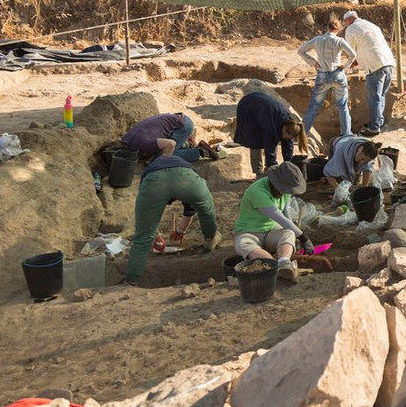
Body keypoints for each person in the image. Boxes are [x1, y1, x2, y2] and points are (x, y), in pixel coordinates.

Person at [124, 155, 220, 285]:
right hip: (187, 179)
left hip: (155, 182)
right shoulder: (185, 167)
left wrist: (155, 235)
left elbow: (147, 217)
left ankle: (131, 282)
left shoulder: (150, 172)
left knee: (143, 236)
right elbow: (192, 207)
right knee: (206, 209)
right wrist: (181, 230)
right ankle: (210, 239)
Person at [233, 161, 312, 283]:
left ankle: (284, 262)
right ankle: (273, 265)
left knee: (288, 234)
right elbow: (280, 218)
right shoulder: (258, 192)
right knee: (243, 244)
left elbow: (286, 213)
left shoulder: (284, 190)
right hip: (248, 232)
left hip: (271, 230)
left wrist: (294, 234)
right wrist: (303, 238)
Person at [298, 14, 358, 140]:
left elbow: (301, 51)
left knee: (314, 106)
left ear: (327, 27)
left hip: (323, 75)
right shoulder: (339, 41)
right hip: (338, 74)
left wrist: (313, 63)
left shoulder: (317, 39)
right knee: (343, 106)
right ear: (338, 29)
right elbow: (353, 54)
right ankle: (346, 135)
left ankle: (301, 135)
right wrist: (345, 66)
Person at [341, 9, 396, 137]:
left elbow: (350, 51)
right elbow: (369, 44)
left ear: (348, 21)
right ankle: (378, 122)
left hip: (374, 66)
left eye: (345, 23)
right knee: (380, 96)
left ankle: (374, 128)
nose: (345, 26)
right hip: (388, 62)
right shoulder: (372, 25)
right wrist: (357, 60)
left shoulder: (351, 29)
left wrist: (349, 64)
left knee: (374, 99)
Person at [234, 92, 306, 176]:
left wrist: (288, 163)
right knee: (255, 141)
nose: (284, 138)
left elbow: (287, 145)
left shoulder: (290, 124)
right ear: (283, 128)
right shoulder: (271, 123)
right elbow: (269, 144)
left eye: (287, 138)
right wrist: (273, 165)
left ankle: (268, 169)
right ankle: (259, 173)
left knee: (275, 137)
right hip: (247, 107)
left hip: (262, 107)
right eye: (284, 135)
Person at [120, 112, 212, 163]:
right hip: (177, 120)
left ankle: (199, 152)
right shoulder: (126, 139)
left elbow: (171, 144)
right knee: (154, 156)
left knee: (159, 160)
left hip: (183, 125)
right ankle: (186, 144)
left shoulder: (142, 144)